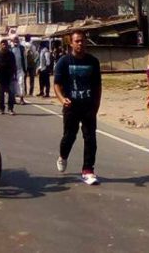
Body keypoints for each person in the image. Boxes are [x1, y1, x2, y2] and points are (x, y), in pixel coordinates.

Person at [54, 30, 102, 185]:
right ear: (71, 43)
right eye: (77, 41)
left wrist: (96, 104)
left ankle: (88, 170)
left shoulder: (93, 62)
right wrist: (62, 100)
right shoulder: (64, 62)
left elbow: (98, 86)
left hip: (88, 106)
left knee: (90, 138)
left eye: (82, 41)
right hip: (71, 106)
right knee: (69, 136)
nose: (80, 44)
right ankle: (63, 156)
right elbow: (57, 85)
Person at [0, 39, 17, 115]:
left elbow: (14, 65)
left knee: (11, 94)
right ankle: (1, 109)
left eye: (5, 44)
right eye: (3, 44)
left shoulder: (11, 54)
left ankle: (10, 109)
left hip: (10, 76)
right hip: (1, 77)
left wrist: (15, 75)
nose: (4, 45)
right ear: (0, 45)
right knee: (1, 95)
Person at [11, 37, 28, 104]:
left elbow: (25, 59)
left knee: (21, 83)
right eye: (14, 40)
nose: (16, 42)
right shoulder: (10, 48)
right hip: (12, 70)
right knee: (13, 85)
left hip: (20, 69)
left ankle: (21, 99)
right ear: (12, 41)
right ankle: (13, 99)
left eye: (17, 40)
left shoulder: (22, 48)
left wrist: (25, 69)